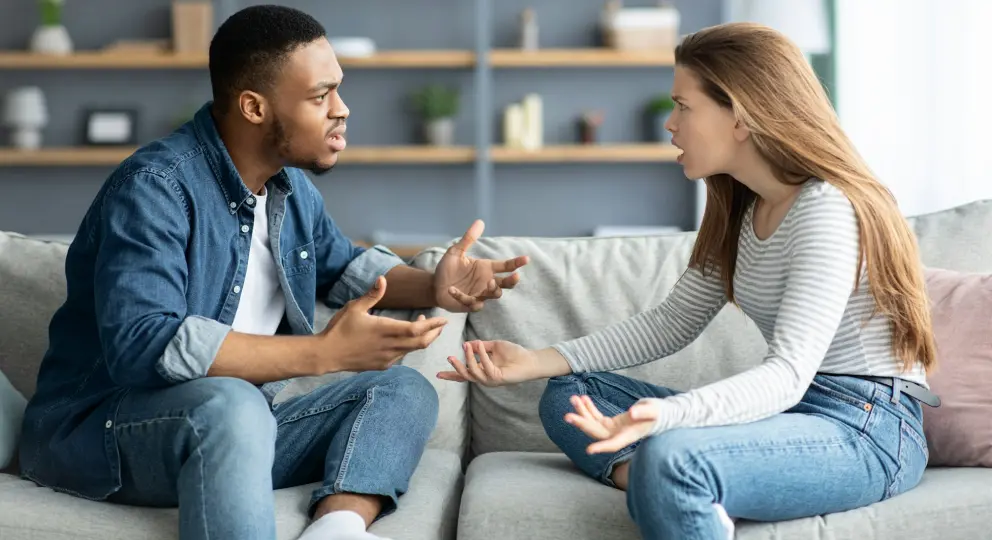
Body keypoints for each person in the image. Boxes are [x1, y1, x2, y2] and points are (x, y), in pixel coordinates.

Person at [18, 5, 528, 540]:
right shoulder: (155, 188)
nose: (342, 110)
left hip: (244, 423)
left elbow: (342, 266)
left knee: (402, 390)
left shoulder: (290, 189)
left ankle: (338, 528)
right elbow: (144, 343)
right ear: (254, 107)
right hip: (105, 434)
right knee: (232, 402)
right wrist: (325, 353)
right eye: (320, 96)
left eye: (339, 91)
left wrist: (433, 284)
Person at [437, 22, 940, 540]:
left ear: (740, 115)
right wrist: (536, 361)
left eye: (683, 106)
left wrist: (668, 418)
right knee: (570, 394)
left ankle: (673, 480)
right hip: (795, 413)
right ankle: (668, 488)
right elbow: (672, 322)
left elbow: (788, 374)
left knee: (671, 454)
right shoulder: (740, 208)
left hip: (865, 427)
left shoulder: (825, 209)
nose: (670, 125)